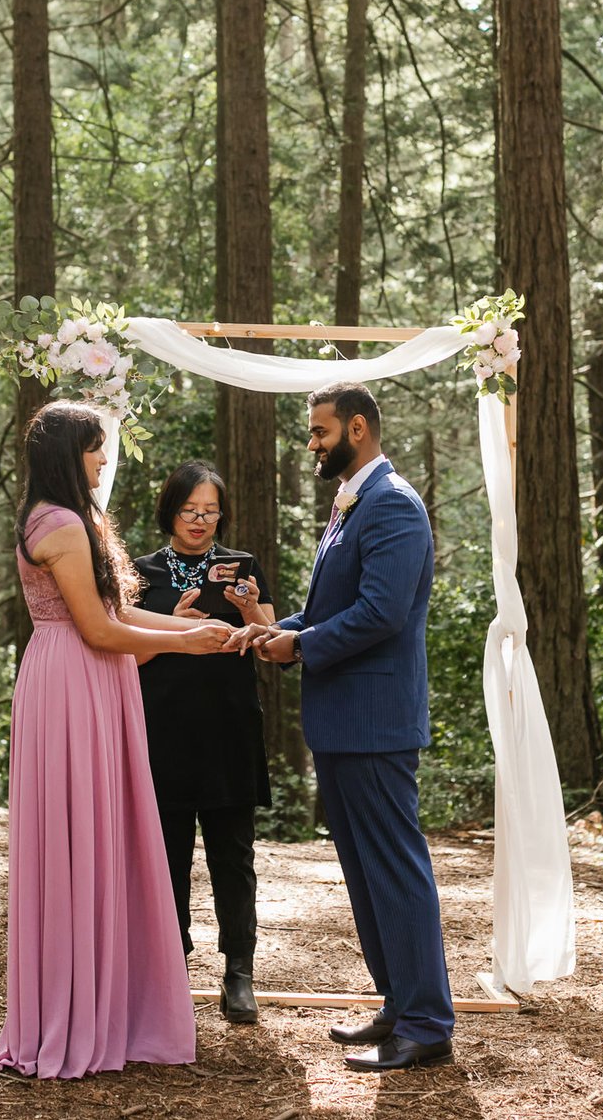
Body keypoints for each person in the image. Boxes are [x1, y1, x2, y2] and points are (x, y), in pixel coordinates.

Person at [0, 402, 232, 1080]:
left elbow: (121, 613)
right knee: (76, 837)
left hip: (93, 679)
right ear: (68, 454)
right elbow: (97, 630)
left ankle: (110, 1007)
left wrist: (195, 631)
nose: (103, 459)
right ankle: (73, 1014)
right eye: (95, 448)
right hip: (72, 682)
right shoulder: (57, 524)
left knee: (104, 835)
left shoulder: (75, 518)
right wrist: (194, 649)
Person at [237, 382, 455, 1073]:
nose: (312, 443)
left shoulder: (392, 504)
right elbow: (333, 606)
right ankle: (399, 1001)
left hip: (376, 721)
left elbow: (381, 613)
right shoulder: (351, 503)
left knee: (395, 869)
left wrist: (299, 647)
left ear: (358, 428)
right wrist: (278, 631)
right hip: (343, 722)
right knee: (366, 874)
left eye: (321, 431)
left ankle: (427, 1024)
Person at [133, 461, 273, 1025]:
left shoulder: (239, 567)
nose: (200, 521)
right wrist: (172, 622)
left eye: (210, 511)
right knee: (166, 857)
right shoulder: (141, 572)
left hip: (229, 728)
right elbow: (130, 651)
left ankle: (239, 973)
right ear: (171, 510)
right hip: (163, 729)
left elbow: (268, 642)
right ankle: (173, 970)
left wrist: (247, 608)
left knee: (234, 857)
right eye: (191, 510)